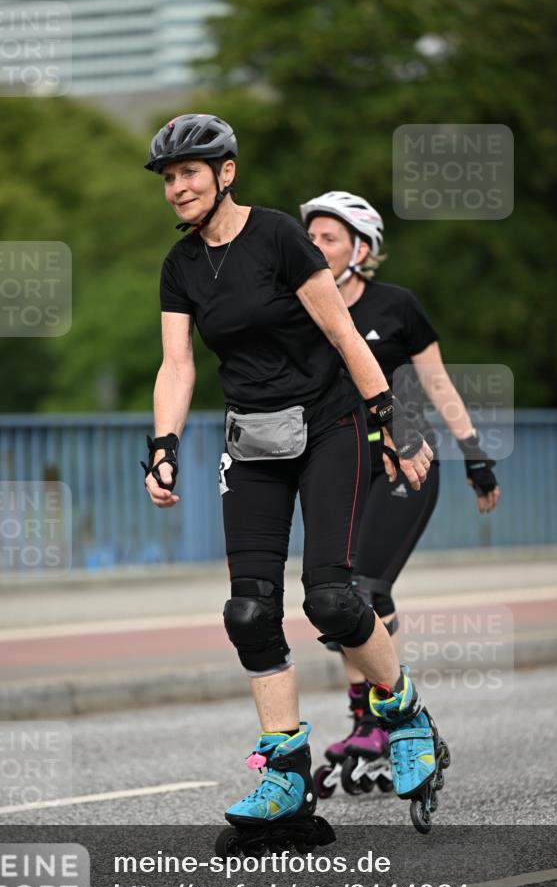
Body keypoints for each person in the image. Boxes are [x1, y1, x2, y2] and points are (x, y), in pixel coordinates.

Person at [143, 114, 446, 845]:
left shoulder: (278, 236)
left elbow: (342, 333)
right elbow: (178, 365)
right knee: (248, 611)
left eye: (190, 172)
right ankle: (285, 774)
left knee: (333, 600)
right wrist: (163, 445)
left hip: (329, 427)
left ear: (226, 173)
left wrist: (388, 420)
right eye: (168, 177)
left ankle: (405, 714)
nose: (177, 187)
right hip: (253, 441)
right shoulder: (180, 265)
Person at [300, 191, 499, 803]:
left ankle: (387, 718)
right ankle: (367, 720)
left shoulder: (397, 306)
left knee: (368, 588)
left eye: (330, 238)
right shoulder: (301, 306)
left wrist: (474, 454)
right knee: (336, 599)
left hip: (405, 461)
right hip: (341, 464)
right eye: (311, 238)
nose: (316, 247)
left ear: (361, 249)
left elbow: (437, 384)